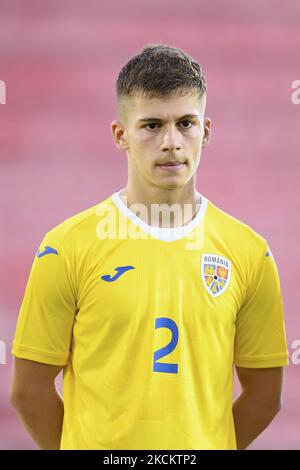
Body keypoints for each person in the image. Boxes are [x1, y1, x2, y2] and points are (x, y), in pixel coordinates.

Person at [10, 43, 289, 450]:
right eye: (152, 125)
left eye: (187, 123)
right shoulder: (66, 247)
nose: (172, 142)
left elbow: (265, 397)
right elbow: (28, 392)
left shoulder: (250, 253)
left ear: (206, 132)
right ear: (121, 135)